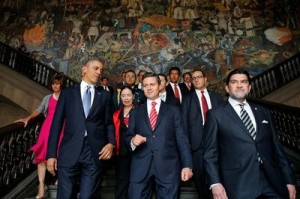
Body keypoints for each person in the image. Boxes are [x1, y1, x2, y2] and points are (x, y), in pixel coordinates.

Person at [203, 69, 297, 199]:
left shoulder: (263, 112)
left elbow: (278, 149)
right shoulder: (216, 115)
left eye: (244, 82)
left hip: (272, 181)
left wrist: (289, 179)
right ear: (227, 88)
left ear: (249, 87)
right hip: (239, 183)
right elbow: (210, 153)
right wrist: (215, 183)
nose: (240, 85)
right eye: (234, 82)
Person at [46, 58, 115, 199]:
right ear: (84, 69)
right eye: (96, 68)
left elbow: (108, 124)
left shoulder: (105, 96)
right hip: (69, 151)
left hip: (94, 153)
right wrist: (51, 154)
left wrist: (110, 143)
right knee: (65, 196)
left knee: (87, 196)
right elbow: (56, 124)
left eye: (101, 70)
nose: (99, 72)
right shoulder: (67, 93)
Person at [126, 72, 193, 199]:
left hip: (168, 168)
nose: (149, 88)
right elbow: (128, 137)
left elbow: (182, 139)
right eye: (145, 85)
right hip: (140, 168)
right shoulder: (135, 112)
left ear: (160, 86)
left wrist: (187, 165)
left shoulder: (173, 110)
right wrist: (132, 141)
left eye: (152, 84)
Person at [15, 73, 65, 199]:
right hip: (47, 128)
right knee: (41, 157)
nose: (55, 86)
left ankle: (59, 179)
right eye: (53, 83)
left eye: (57, 83)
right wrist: (28, 118)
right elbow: (39, 109)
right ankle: (41, 187)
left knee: (60, 154)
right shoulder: (48, 97)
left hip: (62, 128)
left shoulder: (66, 97)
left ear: (61, 84)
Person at [181, 69, 223, 199]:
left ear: (206, 79)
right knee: (200, 181)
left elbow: (224, 119)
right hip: (197, 145)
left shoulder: (217, 97)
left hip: (217, 142)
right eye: (194, 78)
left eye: (199, 77)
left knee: (219, 177)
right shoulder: (187, 99)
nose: (196, 80)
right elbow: (184, 124)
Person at [113, 86, 136, 199]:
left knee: (135, 181)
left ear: (133, 96)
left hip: (137, 152)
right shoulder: (116, 114)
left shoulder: (140, 111)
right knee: (121, 181)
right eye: (123, 95)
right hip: (121, 152)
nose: (126, 98)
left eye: (129, 95)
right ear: (120, 97)